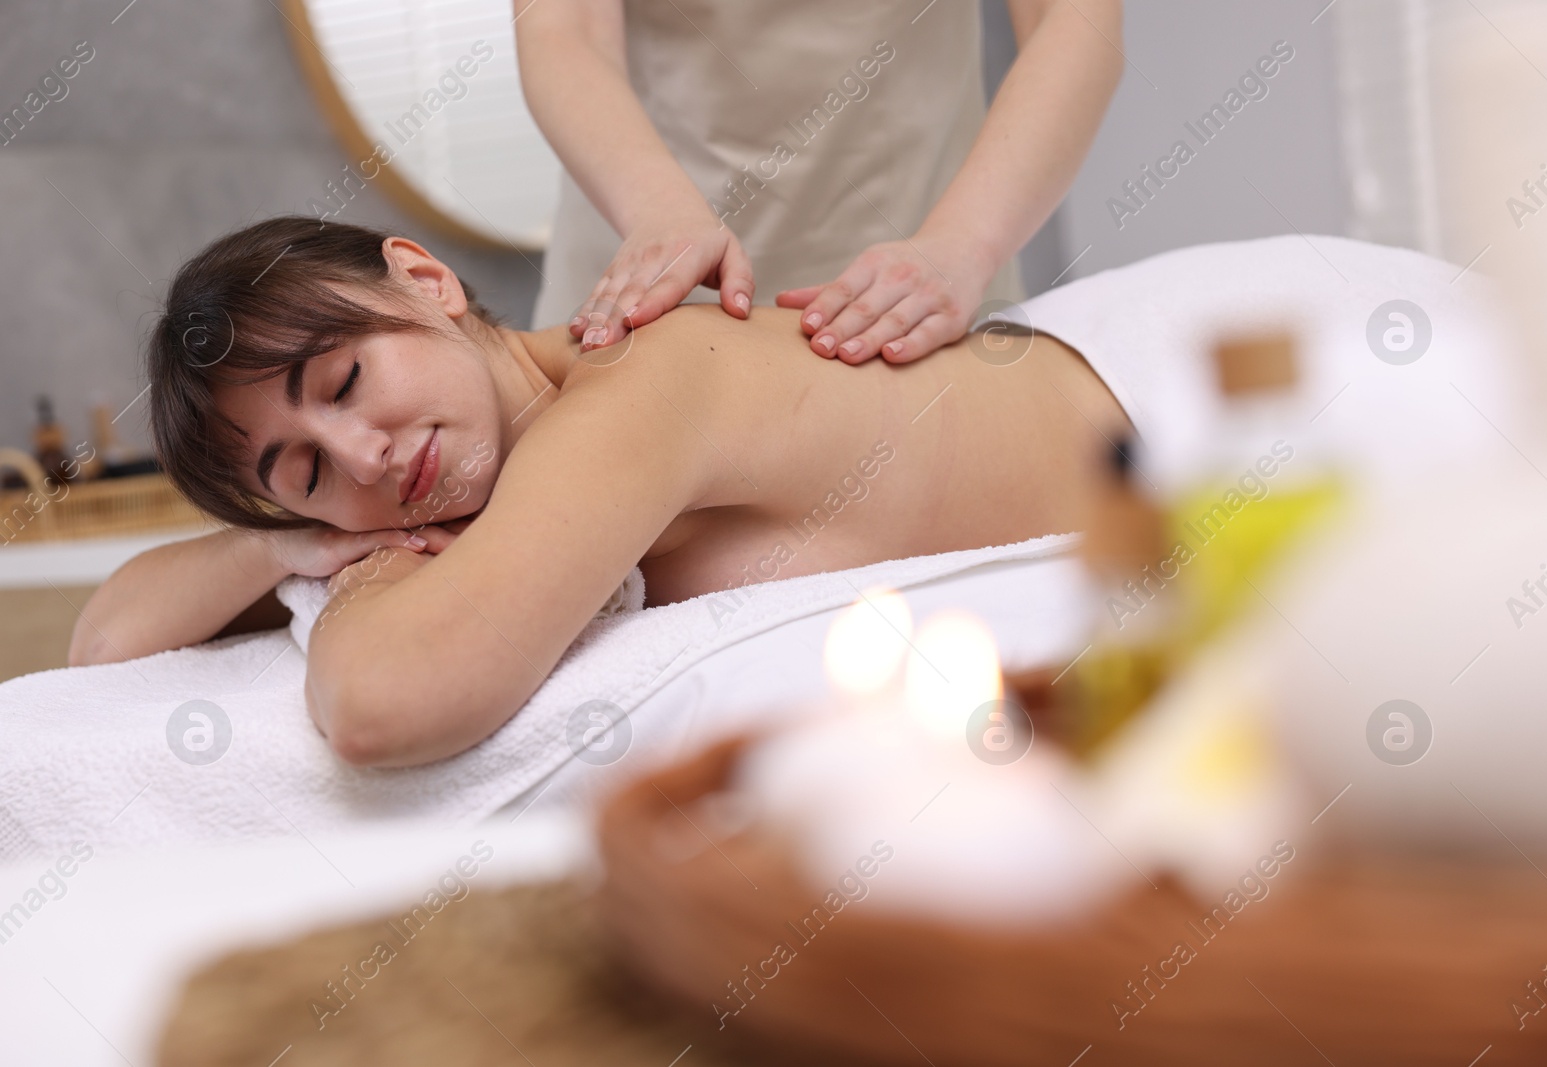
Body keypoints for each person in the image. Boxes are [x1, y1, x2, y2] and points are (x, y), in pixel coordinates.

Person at [70, 216, 1129, 767]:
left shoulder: (636, 381)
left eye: (345, 381)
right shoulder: (444, 479)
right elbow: (104, 643)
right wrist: (273, 549)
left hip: (1163, 391)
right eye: (304, 472)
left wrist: (370, 573)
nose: (364, 458)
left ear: (428, 282)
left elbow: (382, 705)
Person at [513, 0, 1122, 365]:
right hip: (647, 249)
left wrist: (967, 241)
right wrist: (658, 210)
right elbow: (565, 30)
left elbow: (1073, 22)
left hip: (922, 274)